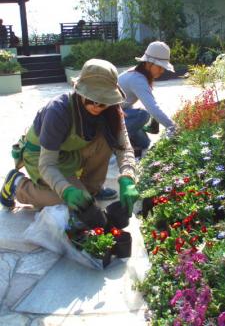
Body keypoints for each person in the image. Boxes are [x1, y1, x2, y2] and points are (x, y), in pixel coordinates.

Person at [0, 59, 139, 226]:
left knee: (106, 140)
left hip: (70, 152)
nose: (97, 105)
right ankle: (18, 185)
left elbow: (124, 147)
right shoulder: (58, 110)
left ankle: (90, 190)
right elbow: (47, 164)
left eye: (104, 100)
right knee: (63, 202)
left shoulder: (112, 111)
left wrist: (128, 177)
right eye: (91, 98)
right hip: (40, 155)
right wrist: (66, 191)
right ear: (80, 91)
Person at [118, 41, 176, 156]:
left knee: (145, 143)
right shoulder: (137, 79)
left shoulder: (138, 74)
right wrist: (173, 127)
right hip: (105, 119)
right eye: (159, 66)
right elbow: (153, 108)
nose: (162, 71)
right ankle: (115, 143)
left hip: (117, 114)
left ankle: (125, 138)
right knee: (142, 115)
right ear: (148, 63)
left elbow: (125, 104)